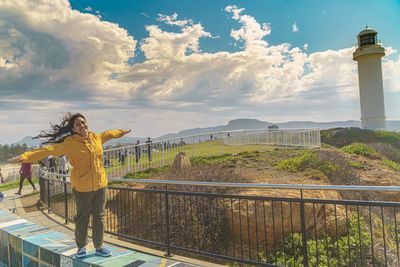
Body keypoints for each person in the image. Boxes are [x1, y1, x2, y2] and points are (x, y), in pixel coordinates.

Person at [8, 112, 131, 258]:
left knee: (99, 216)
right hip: (82, 186)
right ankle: (81, 247)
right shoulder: (70, 143)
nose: (82, 126)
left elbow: (110, 133)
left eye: (83, 122)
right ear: (73, 129)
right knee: (82, 217)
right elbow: (48, 150)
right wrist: (24, 157)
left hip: (101, 184)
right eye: (78, 124)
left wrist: (122, 132)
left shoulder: (96, 138)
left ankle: (99, 246)